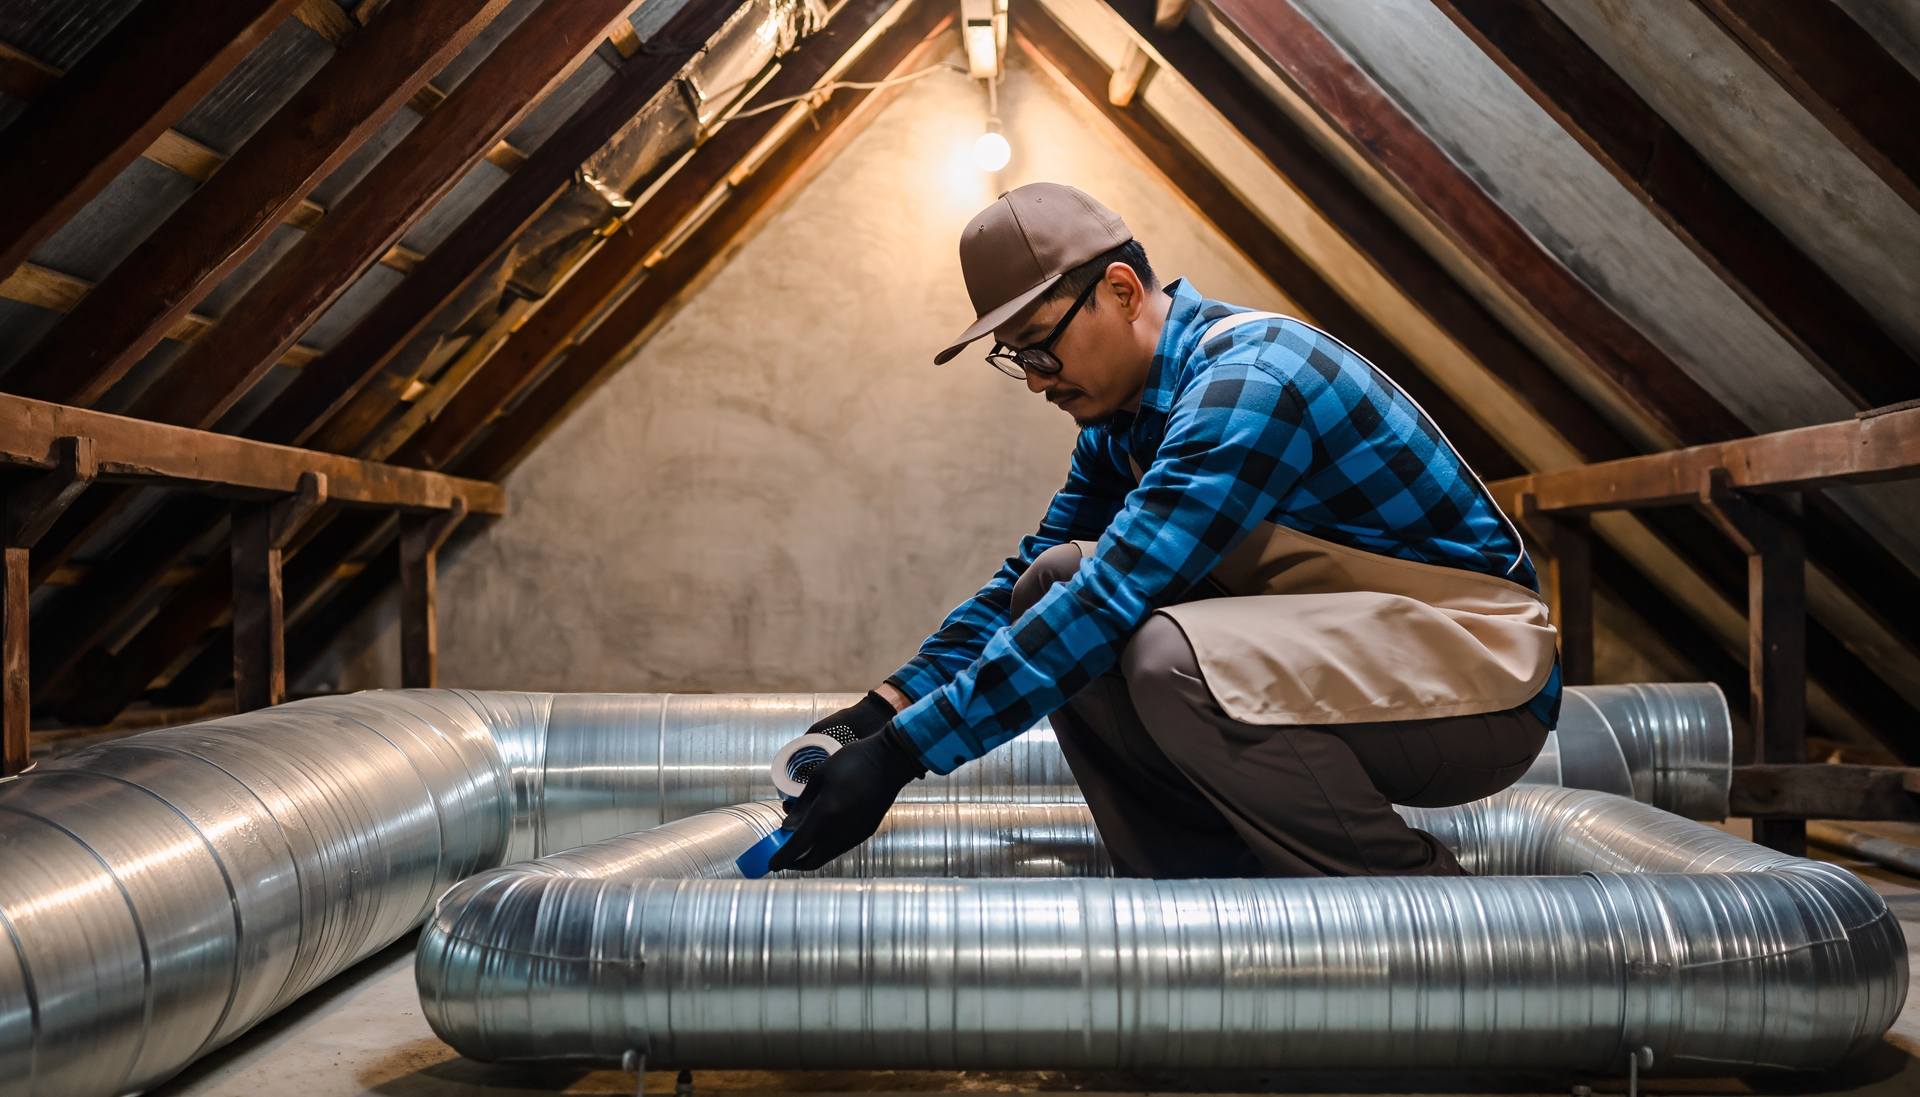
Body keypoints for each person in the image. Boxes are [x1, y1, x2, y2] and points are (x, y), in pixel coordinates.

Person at [767, 182, 1558, 878]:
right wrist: (884, 708)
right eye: (1017, 360)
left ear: (1120, 290)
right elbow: (1037, 576)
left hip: (1482, 683)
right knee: (1052, 585)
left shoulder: (1246, 383)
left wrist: (904, 757)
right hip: (1366, 658)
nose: (1038, 380)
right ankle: (1199, 917)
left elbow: (1112, 598)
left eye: (1043, 346)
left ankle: (1424, 911)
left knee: (1163, 654)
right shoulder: (1124, 421)